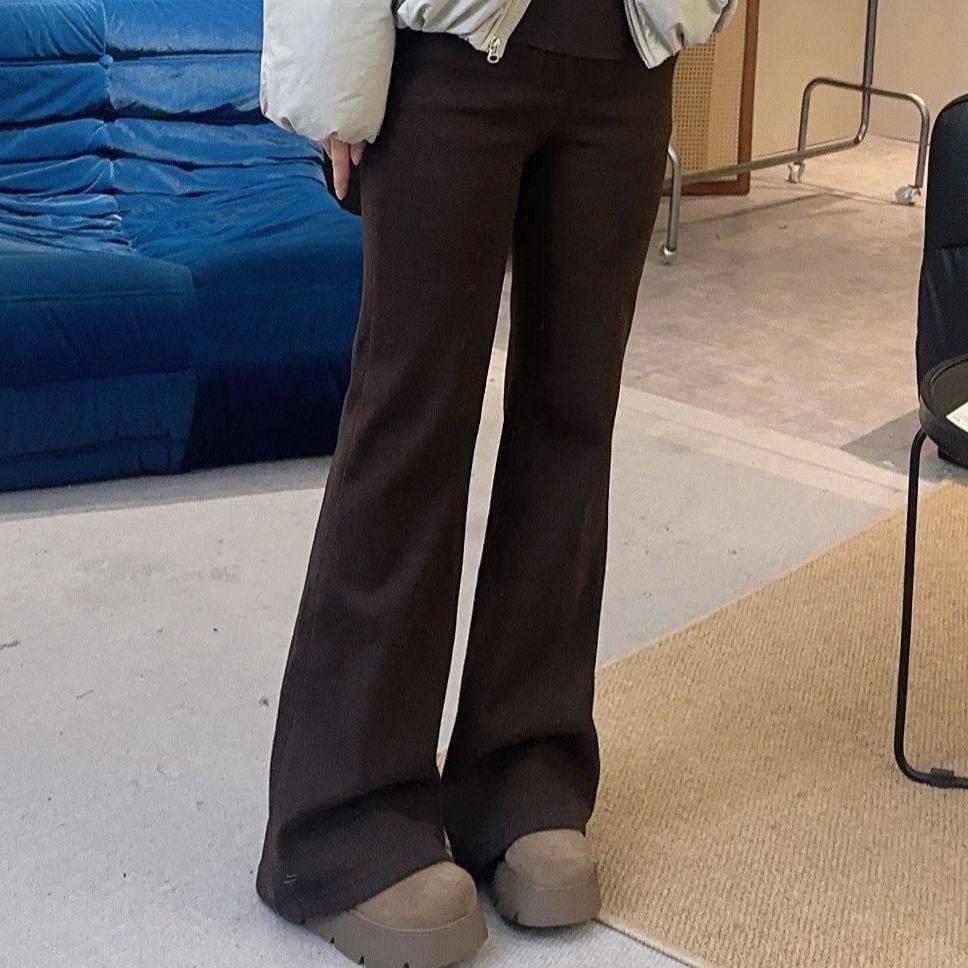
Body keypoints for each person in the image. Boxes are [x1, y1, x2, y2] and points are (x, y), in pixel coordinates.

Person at [256, 1, 736, 966]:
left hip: (628, 52)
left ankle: (525, 772)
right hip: (447, 49)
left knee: (574, 423)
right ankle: (342, 816)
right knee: (411, 420)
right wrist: (335, 82)